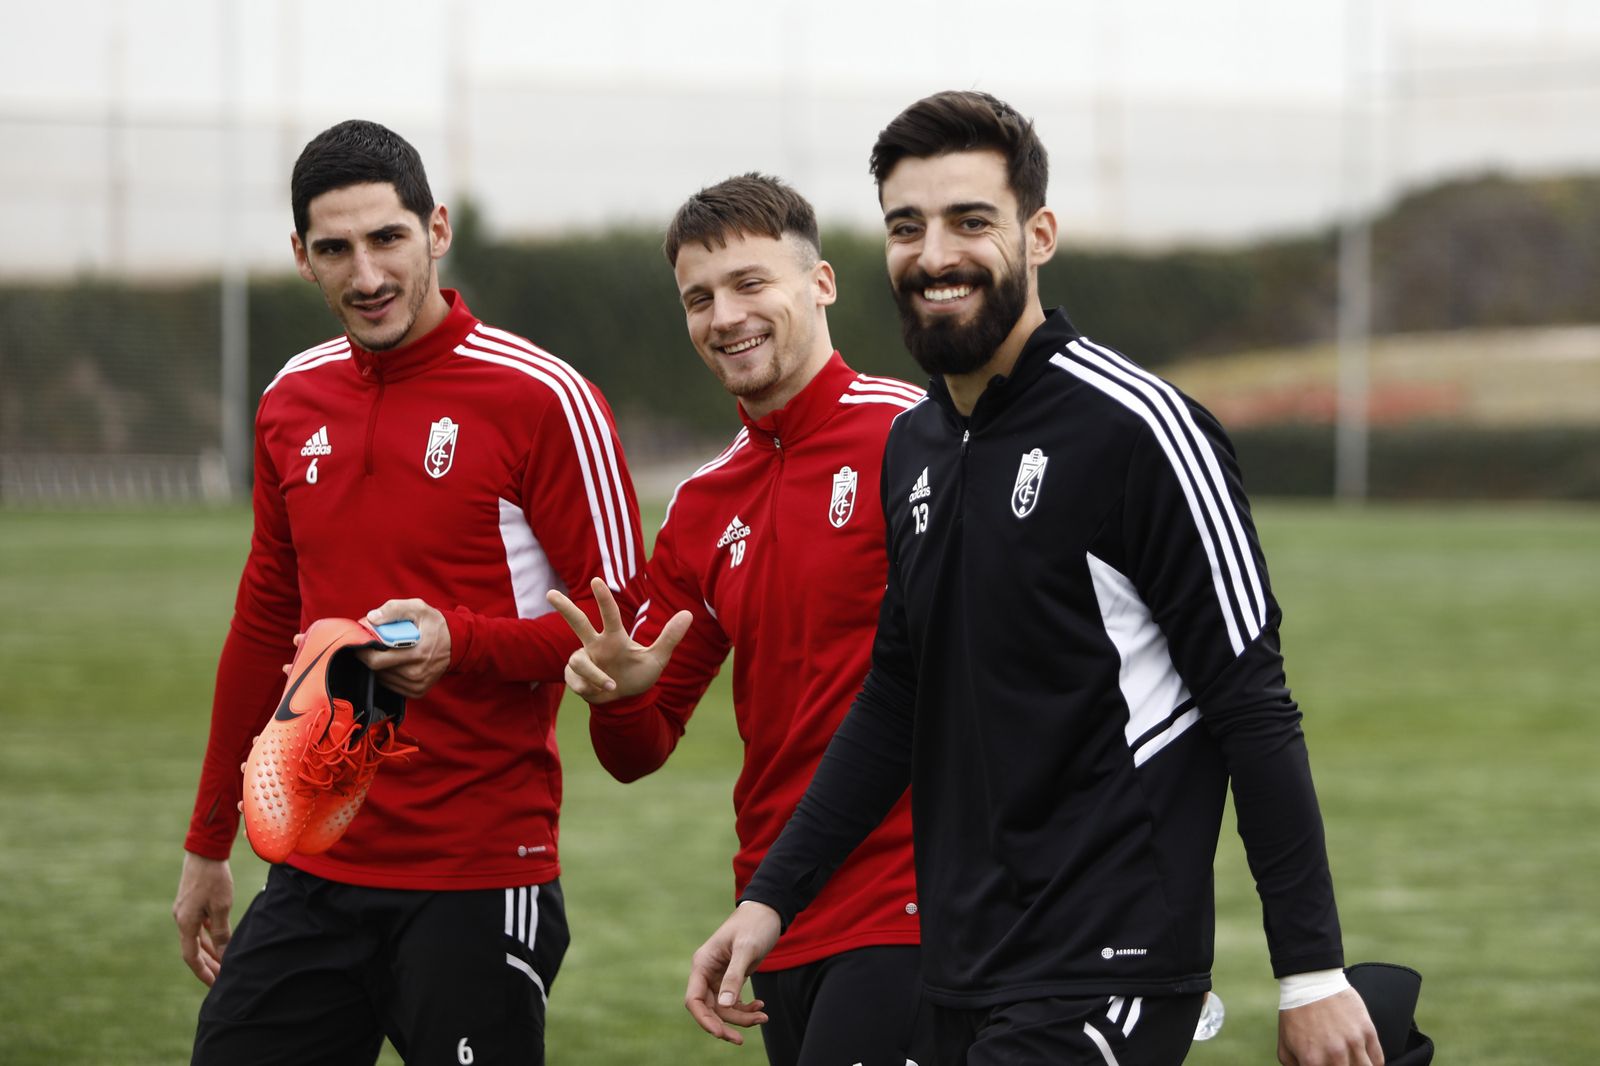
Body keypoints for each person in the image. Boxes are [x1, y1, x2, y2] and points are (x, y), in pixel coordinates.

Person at [686, 91, 1385, 1066]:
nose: (935, 257)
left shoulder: (1138, 428)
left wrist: (1310, 972)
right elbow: (897, 698)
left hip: (1109, 961)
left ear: (1038, 233)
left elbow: (1251, 705)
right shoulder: (916, 447)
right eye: (906, 226)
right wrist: (772, 897)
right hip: (961, 964)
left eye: (971, 221)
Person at [171, 119, 643, 1065]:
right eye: (336, 249)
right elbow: (265, 626)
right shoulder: (291, 399)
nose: (367, 274)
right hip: (314, 858)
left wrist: (460, 644)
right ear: (301, 257)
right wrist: (208, 839)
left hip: (477, 871)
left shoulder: (542, 396)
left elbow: (624, 636)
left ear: (436, 229)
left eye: (388, 238)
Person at [546, 173, 925, 1066]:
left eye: (752, 283)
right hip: (776, 910)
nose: (725, 316)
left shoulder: (918, 443)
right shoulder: (702, 506)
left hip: (913, 901)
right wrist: (619, 695)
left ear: (821, 283)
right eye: (699, 298)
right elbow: (636, 754)